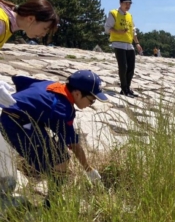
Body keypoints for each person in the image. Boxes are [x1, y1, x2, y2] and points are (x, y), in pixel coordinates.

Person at [0, 70, 107, 200]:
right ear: (78, 94)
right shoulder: (62, 109)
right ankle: (52, 201)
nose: (91, 104)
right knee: (60, 159)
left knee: (59, 152)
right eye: (92, 100)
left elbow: (26, 86)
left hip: (19, 118)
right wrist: (88, 169)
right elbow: (74, 144)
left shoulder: (53, 86)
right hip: (15, 124)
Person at [0, 0, 59, 107]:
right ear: (31, 18)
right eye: (44, 28)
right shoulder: (1, 23)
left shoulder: (6, 23)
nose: (43, 34)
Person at [104, 0, 143, 98]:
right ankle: (124, 88)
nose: (128, 5)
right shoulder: (113, 13)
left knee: (131, 67)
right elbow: (107, 29)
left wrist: (137, 43)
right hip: (118, 43)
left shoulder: (130, 16)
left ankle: (128, 88)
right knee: (123, 67)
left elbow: (133, 31)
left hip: (129, 45)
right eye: (126, 3)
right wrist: (118, 31)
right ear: (120, 3)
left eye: (129, 3)